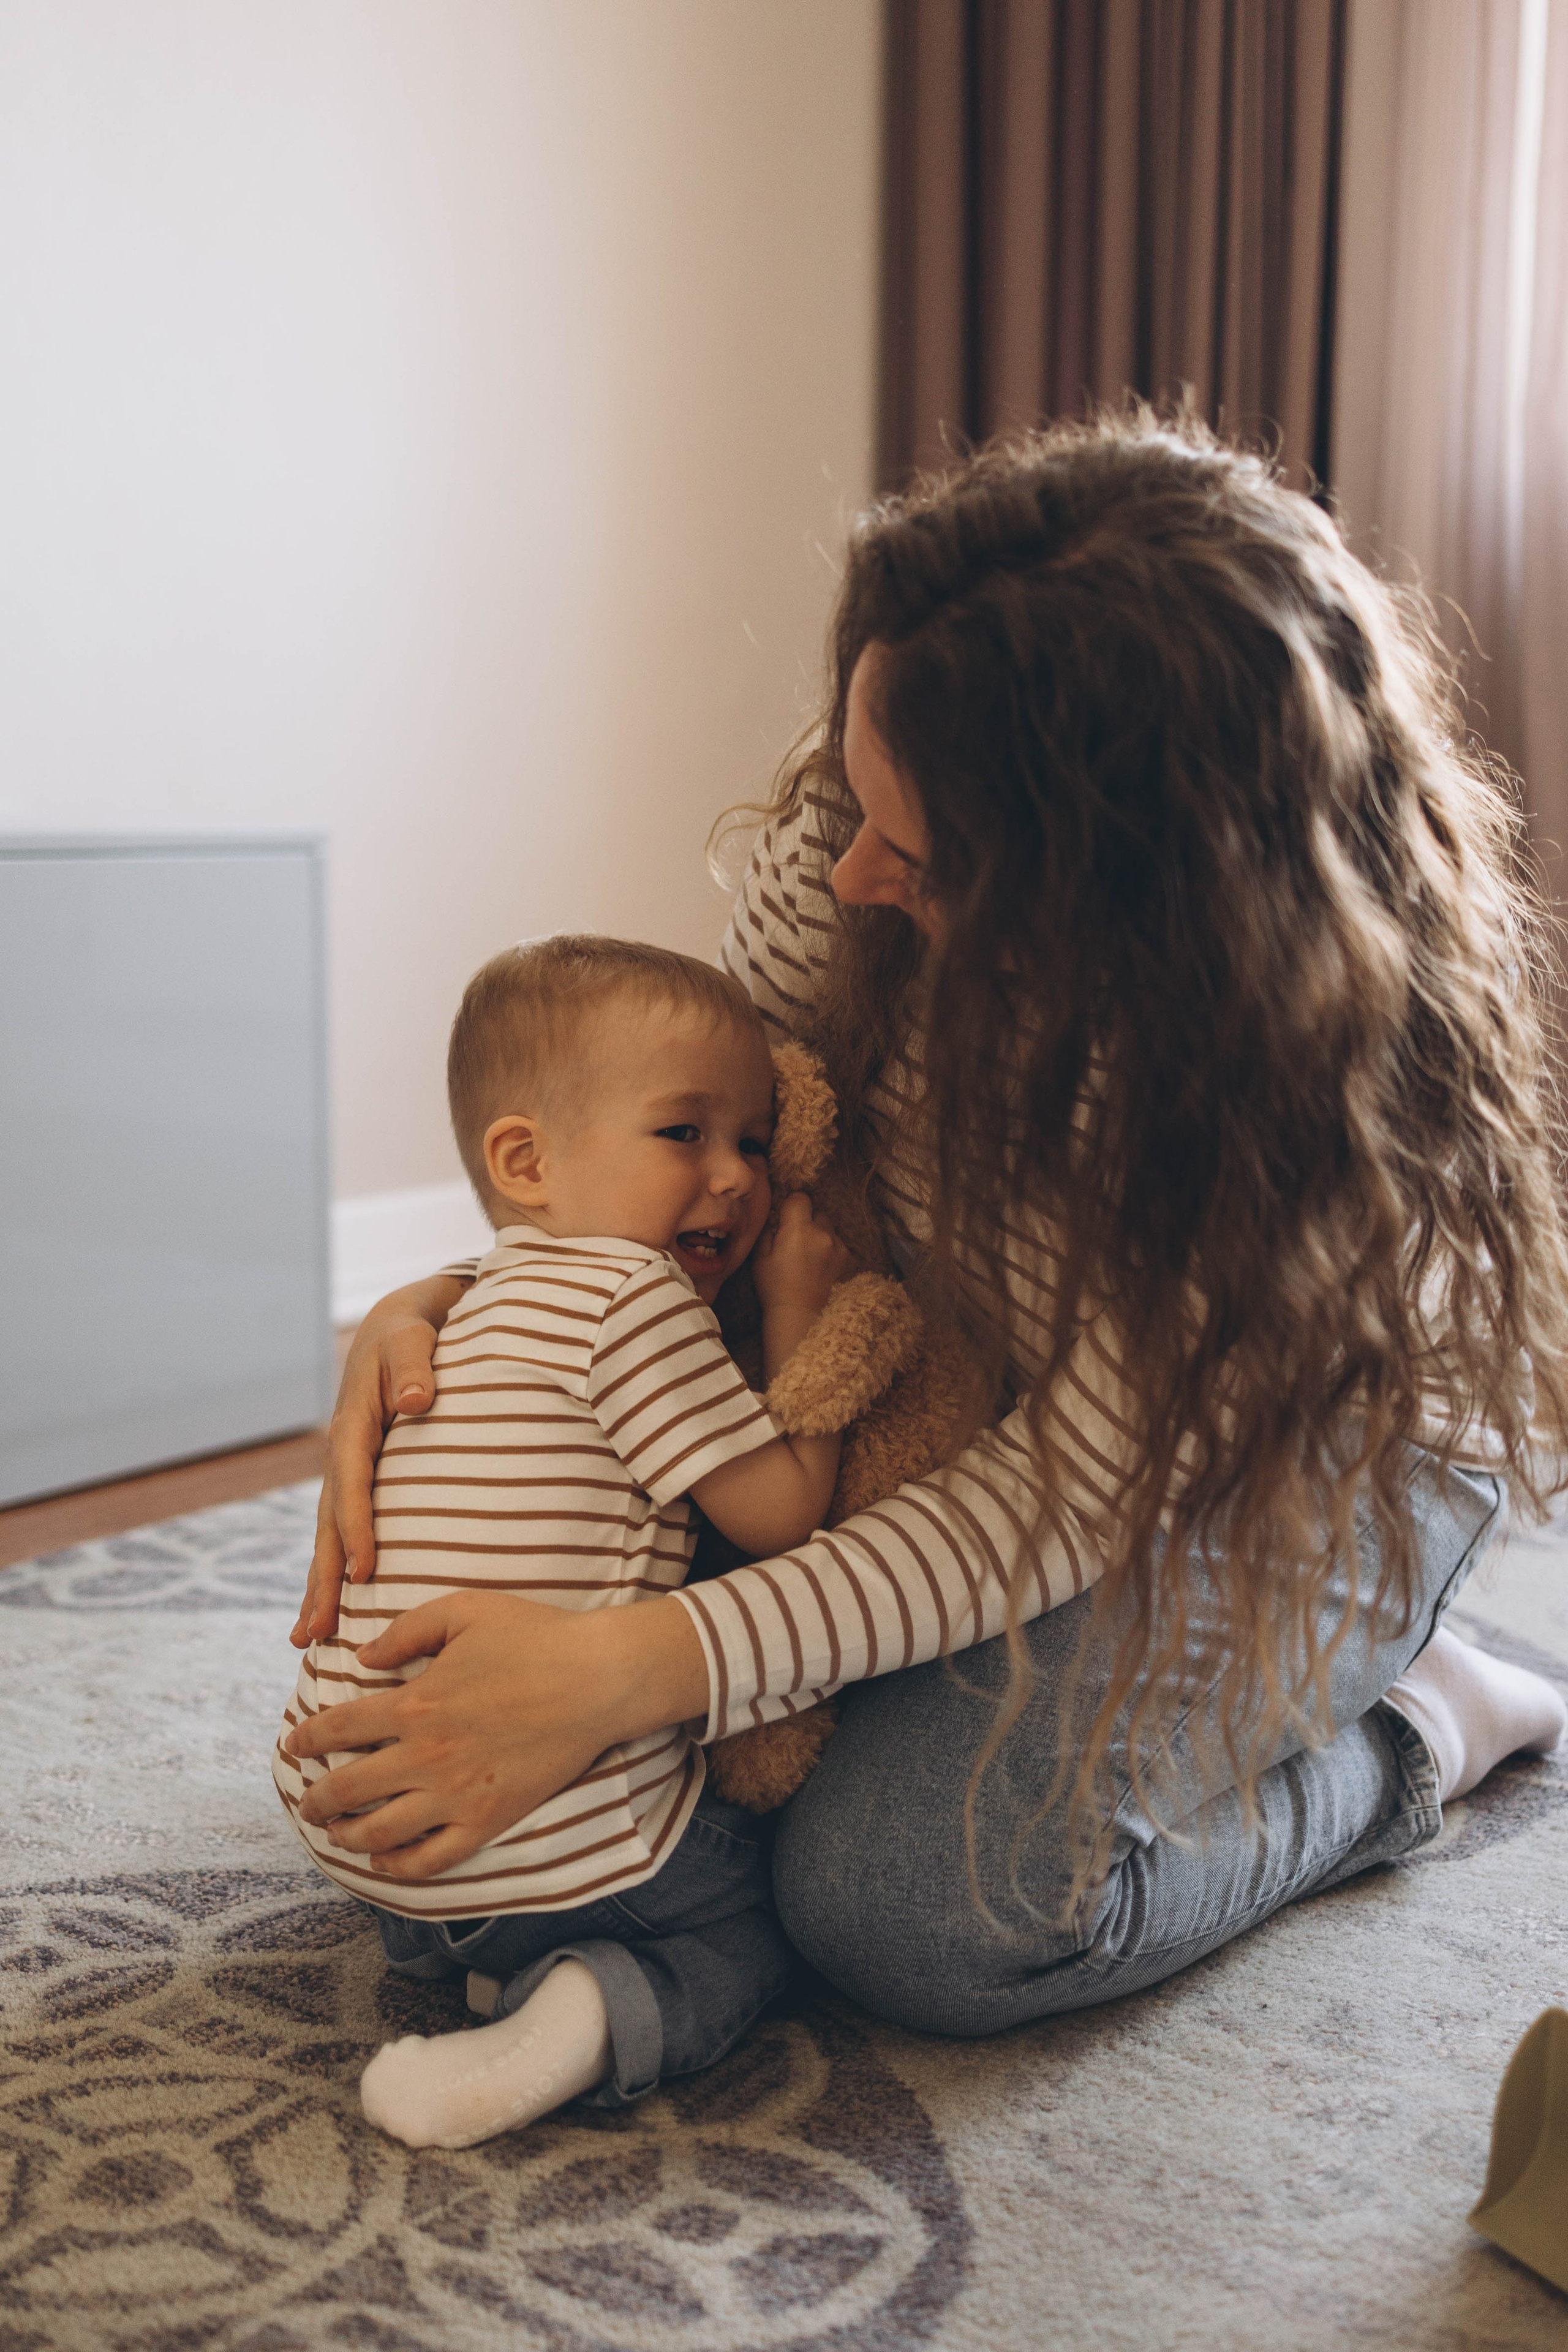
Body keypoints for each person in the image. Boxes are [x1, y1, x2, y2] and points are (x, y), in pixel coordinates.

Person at [285, 411, 1568, 2046]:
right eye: (854, 786)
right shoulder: (857, 841)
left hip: (1292, 1462)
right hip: (986, 1389)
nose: (851, 875)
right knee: (644, 1696)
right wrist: (467, 1294)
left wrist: (628, 1670)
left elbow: (1039, 1516)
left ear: (1119, 888)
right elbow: (687, 1152)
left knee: (905, 1907)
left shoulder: (1271, 1118)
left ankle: (1413, 1732)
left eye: (923, 847)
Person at [277, 935, 850, 2146]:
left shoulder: (468, 1303)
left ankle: (456, 1943)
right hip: (531, 1834)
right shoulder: (635, 1300)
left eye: (752, 1140)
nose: (740, 1180)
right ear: (526, 1160)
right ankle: (583, 2013)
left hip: (357, 1814)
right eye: (683, 1135)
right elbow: (782, 1513)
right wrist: (802, 1306)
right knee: (762, 1907)